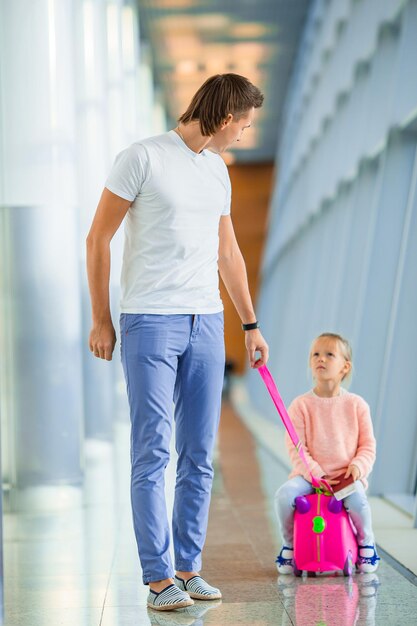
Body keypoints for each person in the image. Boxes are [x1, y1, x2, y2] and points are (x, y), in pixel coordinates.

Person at [86, 73, 269, 611]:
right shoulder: (142, 158)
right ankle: (158, 577)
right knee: (153, 452)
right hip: (149, 320)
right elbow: (98, 238)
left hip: (207, 323)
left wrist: (250, 325)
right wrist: (102, 319)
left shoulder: (217, 171)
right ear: (225, 115)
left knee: (199, 454)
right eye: (244, 124)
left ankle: (188, 568)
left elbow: (229, 254)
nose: (244, 134)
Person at [274, 332, 380, 575]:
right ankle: (289, 546)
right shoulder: (300, 405)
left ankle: (366, 543)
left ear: (345, 367)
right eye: (315, 354)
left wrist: (357, 467)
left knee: (359, 502)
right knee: (283, 496)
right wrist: (317, 477)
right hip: (310, 477)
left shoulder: (357, 405)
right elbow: (297, 448)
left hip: (345, 477)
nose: (320, 359)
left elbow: (367, 446)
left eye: (329, 354)